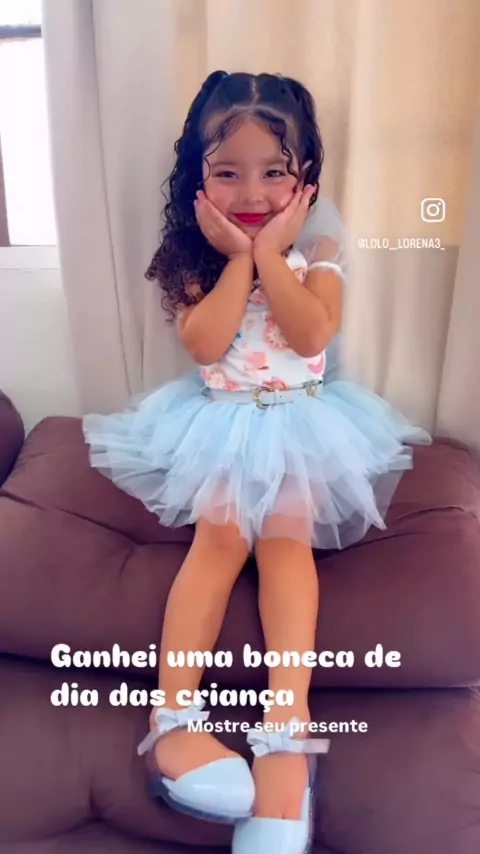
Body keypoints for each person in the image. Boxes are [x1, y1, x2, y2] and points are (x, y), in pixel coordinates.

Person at [83, 70, 430, 854]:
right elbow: (207, 344)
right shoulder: (194, 255)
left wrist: (274, 251)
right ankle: (173, 719)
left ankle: (286, 728)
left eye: (274, 172)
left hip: (301, 422)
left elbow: (311, 335)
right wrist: (239, 258)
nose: (251, 191)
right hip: (221, 421)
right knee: (216, 545)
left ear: (304, 180)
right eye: (228, 172)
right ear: (198, 178)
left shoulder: (321, 247)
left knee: (285, 545)